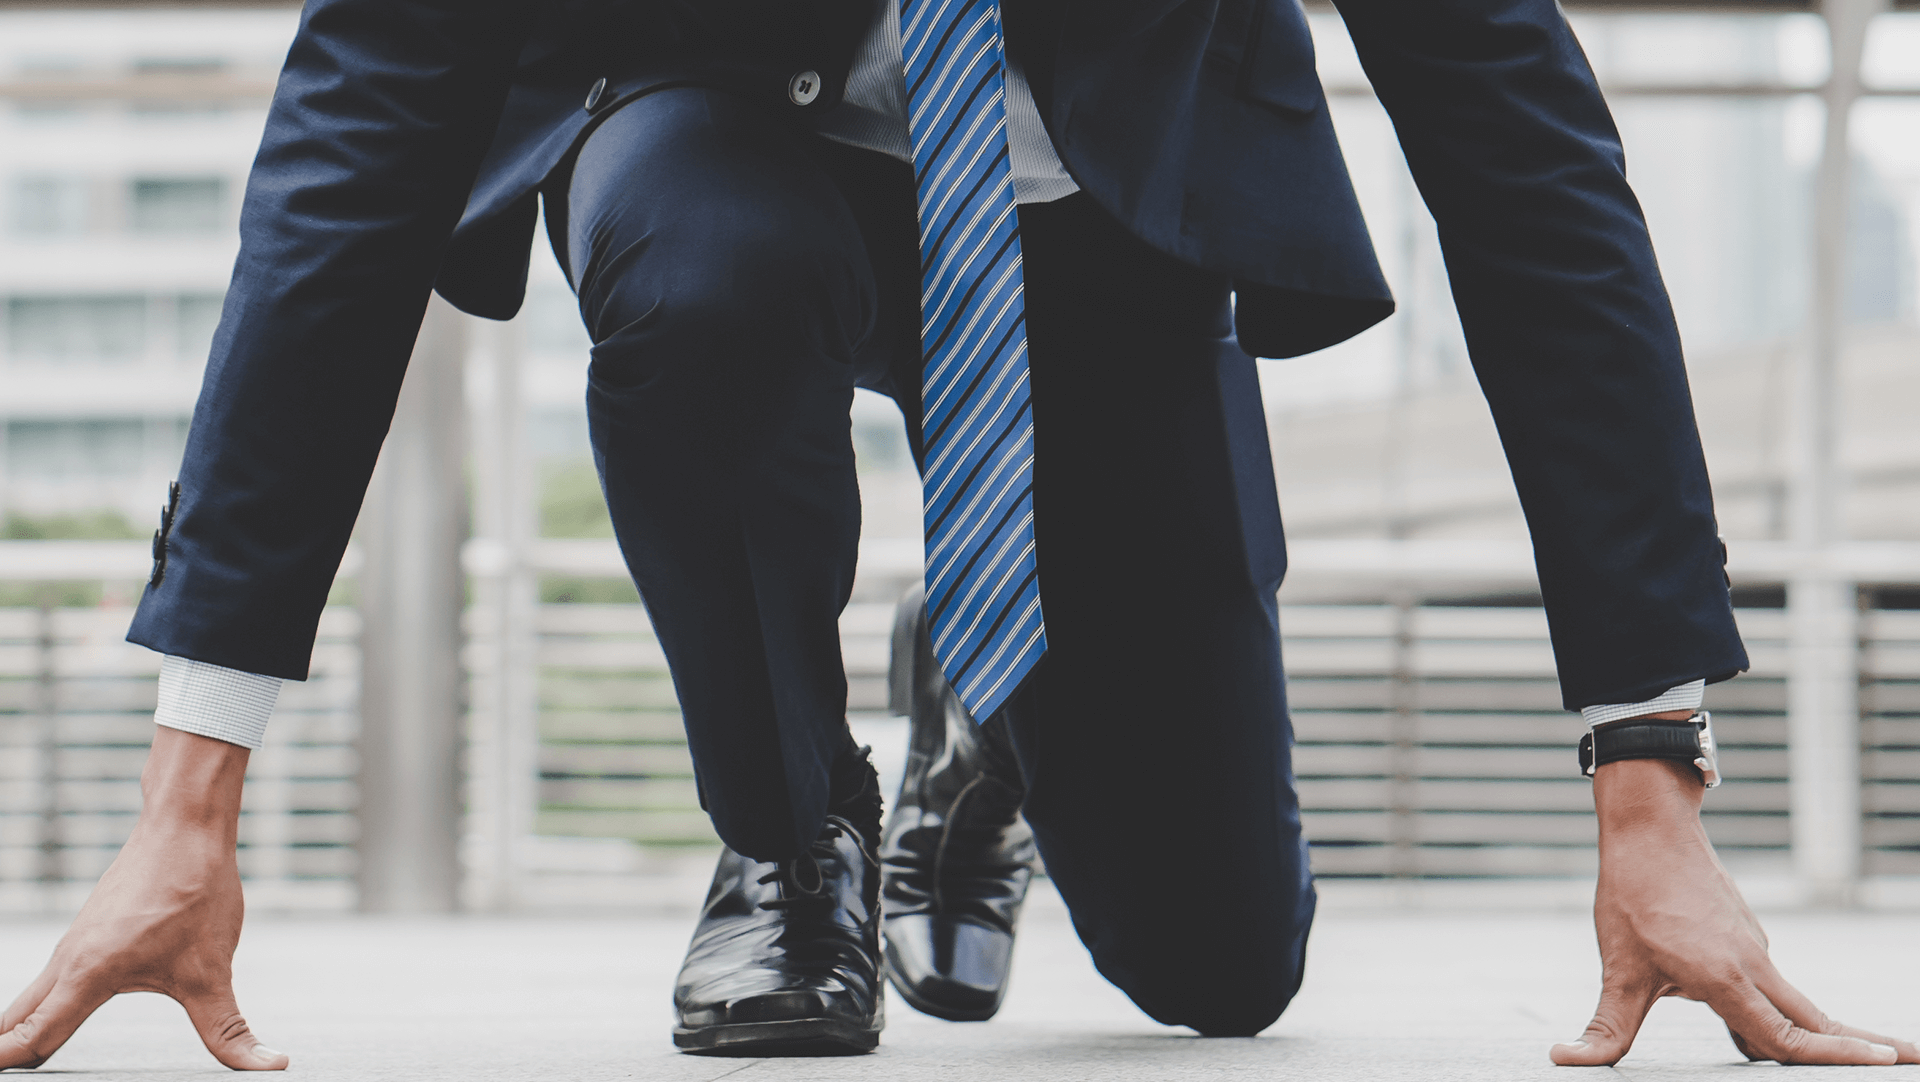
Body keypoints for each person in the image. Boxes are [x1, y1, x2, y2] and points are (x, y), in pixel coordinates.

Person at [0, 0, 1912, 1070]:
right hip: (720, 136)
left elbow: (1523, 156)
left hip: (1098, 215)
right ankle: (787, 838)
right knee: (703, 271)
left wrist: (1650, 777)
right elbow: (348, 145)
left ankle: (980, 710)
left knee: (1222, 968)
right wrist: (190, 799)